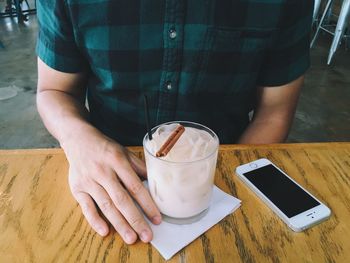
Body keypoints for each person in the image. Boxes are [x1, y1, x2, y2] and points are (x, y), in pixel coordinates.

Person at [36, 1, 313, 244]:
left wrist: (222, 191)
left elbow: (275, 110)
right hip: (107, 174)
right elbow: (54, 91)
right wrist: (78, 139)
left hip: (222, 176)